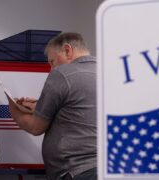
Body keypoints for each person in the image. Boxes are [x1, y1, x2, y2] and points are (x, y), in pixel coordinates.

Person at [8, 32, 97, 180]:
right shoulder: (109, 73)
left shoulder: (62, 74)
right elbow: (78, 109)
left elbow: (35, 127)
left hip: (77, 172)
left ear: (68, 50)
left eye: (52, 62)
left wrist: (12, 105)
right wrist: (39, 105)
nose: (51, 69)